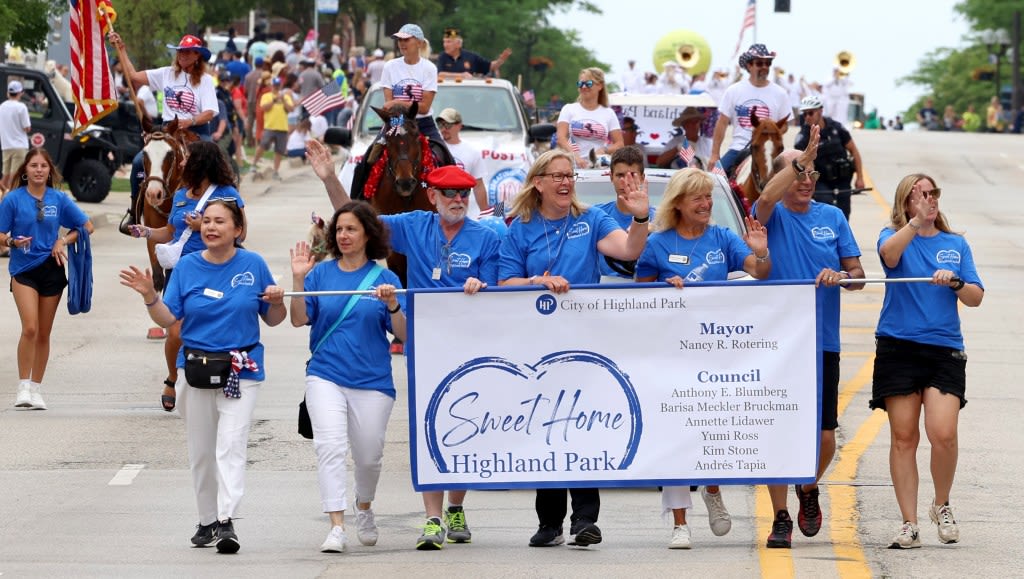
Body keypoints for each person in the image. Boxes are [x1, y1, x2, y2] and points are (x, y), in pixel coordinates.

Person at [311, 142, 500, 549]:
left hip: (469, 348)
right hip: (425, 345)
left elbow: (498, 292)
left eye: (463, 193)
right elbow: (360, 220)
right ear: (432, 196)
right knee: (428, 428)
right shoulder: (415, 224)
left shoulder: (486, 237)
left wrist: (481, 286)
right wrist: (329, 178)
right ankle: (433, 518)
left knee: (464, 425)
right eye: (449, 193)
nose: (457, 200)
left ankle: (455, 506)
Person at [498, 148, 650, 548]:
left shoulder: (591, 219)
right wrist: (536, 282)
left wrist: (639, 217)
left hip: (584, 342)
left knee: (581, 426)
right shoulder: (520, 229)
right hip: (536, 345)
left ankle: (585, 519)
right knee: (544, 426)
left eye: (570, 176)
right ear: (539, 183)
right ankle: (549, 522)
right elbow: (504, 284)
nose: (566, 183)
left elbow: (629, 250)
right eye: (558, 176)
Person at [120, 199, 284, 554]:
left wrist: (278, 300)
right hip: (194, 368)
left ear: (237, 229)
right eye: (206, 221)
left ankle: (226, 520)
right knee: (202, 452)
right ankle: (207, 519)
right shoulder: (188, 266)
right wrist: (150, 296)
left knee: (231, 444)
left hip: (242, 368)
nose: (210, 227)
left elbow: (273, 318)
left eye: (219, 222)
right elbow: (167, 320)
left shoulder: (253, 264)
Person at [634, 167, 769, 548]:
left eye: (709, 197)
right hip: (671, 354)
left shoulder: (723, 237)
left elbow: (759, 272)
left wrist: (761, 252)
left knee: (712, 427)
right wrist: (664, 288)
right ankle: (680, 523)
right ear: (678, 204)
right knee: (676, 436)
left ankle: (712, 487)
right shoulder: (657, 244)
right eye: (699, 198)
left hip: (715, 352)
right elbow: (637, 299)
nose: (707, 204)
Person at [752, 127, 866, 549]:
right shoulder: (771, 216)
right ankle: (780, 515)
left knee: (823, 437)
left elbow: (858, 277)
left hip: (822, 342)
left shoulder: (832, 217)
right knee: (776, 432)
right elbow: (764, 199)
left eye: (811, 172)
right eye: (797, 172)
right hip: (776, 345)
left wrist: (842, 276)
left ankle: (807, 487)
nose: (805, 179)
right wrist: (798, 159)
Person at [871, 174, 983, 549]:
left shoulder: (956, 244)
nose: (928, 200)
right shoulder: (892, 236)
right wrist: (914, 223)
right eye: (919, 195)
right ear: (906, 203)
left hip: (943, 348)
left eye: (932, 193)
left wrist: (954, 283)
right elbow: (890, 257)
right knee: (904, 436)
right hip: (897, 346)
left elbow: (975, 297)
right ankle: (909, 522)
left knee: (943, 433)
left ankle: (942, 503)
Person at [288, 201, 405, 554]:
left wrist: (392, 305)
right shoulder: (320, 275)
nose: (343, 235)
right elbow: (297, 319)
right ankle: (336, 526)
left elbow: (404, 335)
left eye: (351, 229)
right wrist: (297, 279)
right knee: (330, 448)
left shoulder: (386, 279)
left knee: (369, 456)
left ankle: (364, 507)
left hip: (373, 381)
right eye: (339, 229)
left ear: (368, 233)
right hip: (326, 376)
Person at [126, 140, 247, 412]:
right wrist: (145, 231)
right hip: (183, 271)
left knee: (211, 327)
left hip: (219, 270)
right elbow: (169, 232)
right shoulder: (180, 193)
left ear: (201, 161)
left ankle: (216, 373)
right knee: (176, 332)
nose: (181, 162)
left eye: (186, 158)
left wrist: (202, 224)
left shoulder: (227, 194)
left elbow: (242, 232)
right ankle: (173, 376)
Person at [1, 148, 94, 409]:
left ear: (49, 170)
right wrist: (11, 241)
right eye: (33, 166)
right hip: (23, 269)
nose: (39, 170)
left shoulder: (59, 199)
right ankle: (22, 387)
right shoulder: (13, 199)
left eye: (43, 166)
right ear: (25, 170)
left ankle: (36, 388)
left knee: (44, 332)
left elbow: (86, 227)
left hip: (52, 269)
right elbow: (0, 233)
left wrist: (62, 240)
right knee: (29, 328)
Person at [108, 32, 219, 228]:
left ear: (197, 56)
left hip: (197, 128)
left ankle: (221, 212)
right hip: (168, 129)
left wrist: (190, 120)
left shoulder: (205, 80)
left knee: (214, 160)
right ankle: (135, 210)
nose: (183, 55)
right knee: (137, 162)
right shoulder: (167, 73)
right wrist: (122, 49)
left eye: (188, 52)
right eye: (180, 51)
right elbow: (133, 76)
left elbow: (210, 112)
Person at [708, 44, 790, 175]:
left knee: (789, 182)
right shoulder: (733, 91)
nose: (764, 67)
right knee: (715, 180)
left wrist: (770, 132)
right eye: (759, 63)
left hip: (769, 150)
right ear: (749, 66)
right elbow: (722, 123)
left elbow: (785, 125)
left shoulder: (780, 93)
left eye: (767, 63)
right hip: (738, 148)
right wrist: (714, 154)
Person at [794, 95, 865, 220]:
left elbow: (854, 151)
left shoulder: (837, 128)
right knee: (827, 210)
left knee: (844, 214)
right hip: (821, 181)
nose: (807, 117)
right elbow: (801, 163)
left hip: (843, 179)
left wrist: (860, 178)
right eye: (804, 114)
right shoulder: (802, 137)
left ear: (820, 111)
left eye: (810, 113)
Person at [593, 145, 655, 279]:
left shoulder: (661, 219)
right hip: (600, 295)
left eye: (632, 175)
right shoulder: (594, 216)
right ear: (611, 177)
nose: (625, 182)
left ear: (643, 178)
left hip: (648, 294)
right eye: (620, 175)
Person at [556, 67, 623, 169]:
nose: (584, 87)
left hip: (599, 168)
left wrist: (604, 150)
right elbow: (561, 138)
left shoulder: (608, 113)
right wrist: (575, 156)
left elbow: (619, 144)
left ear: (600, 86)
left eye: (588, 84)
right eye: (580, 84)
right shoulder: (568, 109)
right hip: (572, 167)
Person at [436, 108, 488, 217]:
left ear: (459, 126)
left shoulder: (471, 151)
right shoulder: (434, 148)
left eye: (448, 125)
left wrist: (485, 213)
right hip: (438, 209)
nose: (443, 129)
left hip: (460, 208)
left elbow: (478, 186)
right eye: (440, 125)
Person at [252, 77, 294, 180]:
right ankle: (254, 164)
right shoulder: (267, 96)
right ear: (272, 86)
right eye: (275, 85)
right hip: (270, 126)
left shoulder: (286, 97)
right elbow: (264, 108)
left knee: (279, 151)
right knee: (263, 145)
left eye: (278, 85)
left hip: (282, 127)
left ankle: (276, 170)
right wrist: (274, 100)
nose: (276, 87)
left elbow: (291, 109)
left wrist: (283, 100)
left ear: (281, 86)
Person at [437, 28, 511, 78]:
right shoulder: (442, 57)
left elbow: (490, 66)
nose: (445, 45)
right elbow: (440, 74)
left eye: (448, 42)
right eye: (444, 42)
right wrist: (462, 75)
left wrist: (500, 60)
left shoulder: (470, 57)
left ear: (458, 44)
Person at [1, 80, 32, 192]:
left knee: (5, 176)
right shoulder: (21, 107)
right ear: (21, 93)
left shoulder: (2, 106)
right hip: (19, 146)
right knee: (15, 177)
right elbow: (27, 127)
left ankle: (2, 198)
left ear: (8, 93)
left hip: (6, 146)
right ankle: (12, 200)